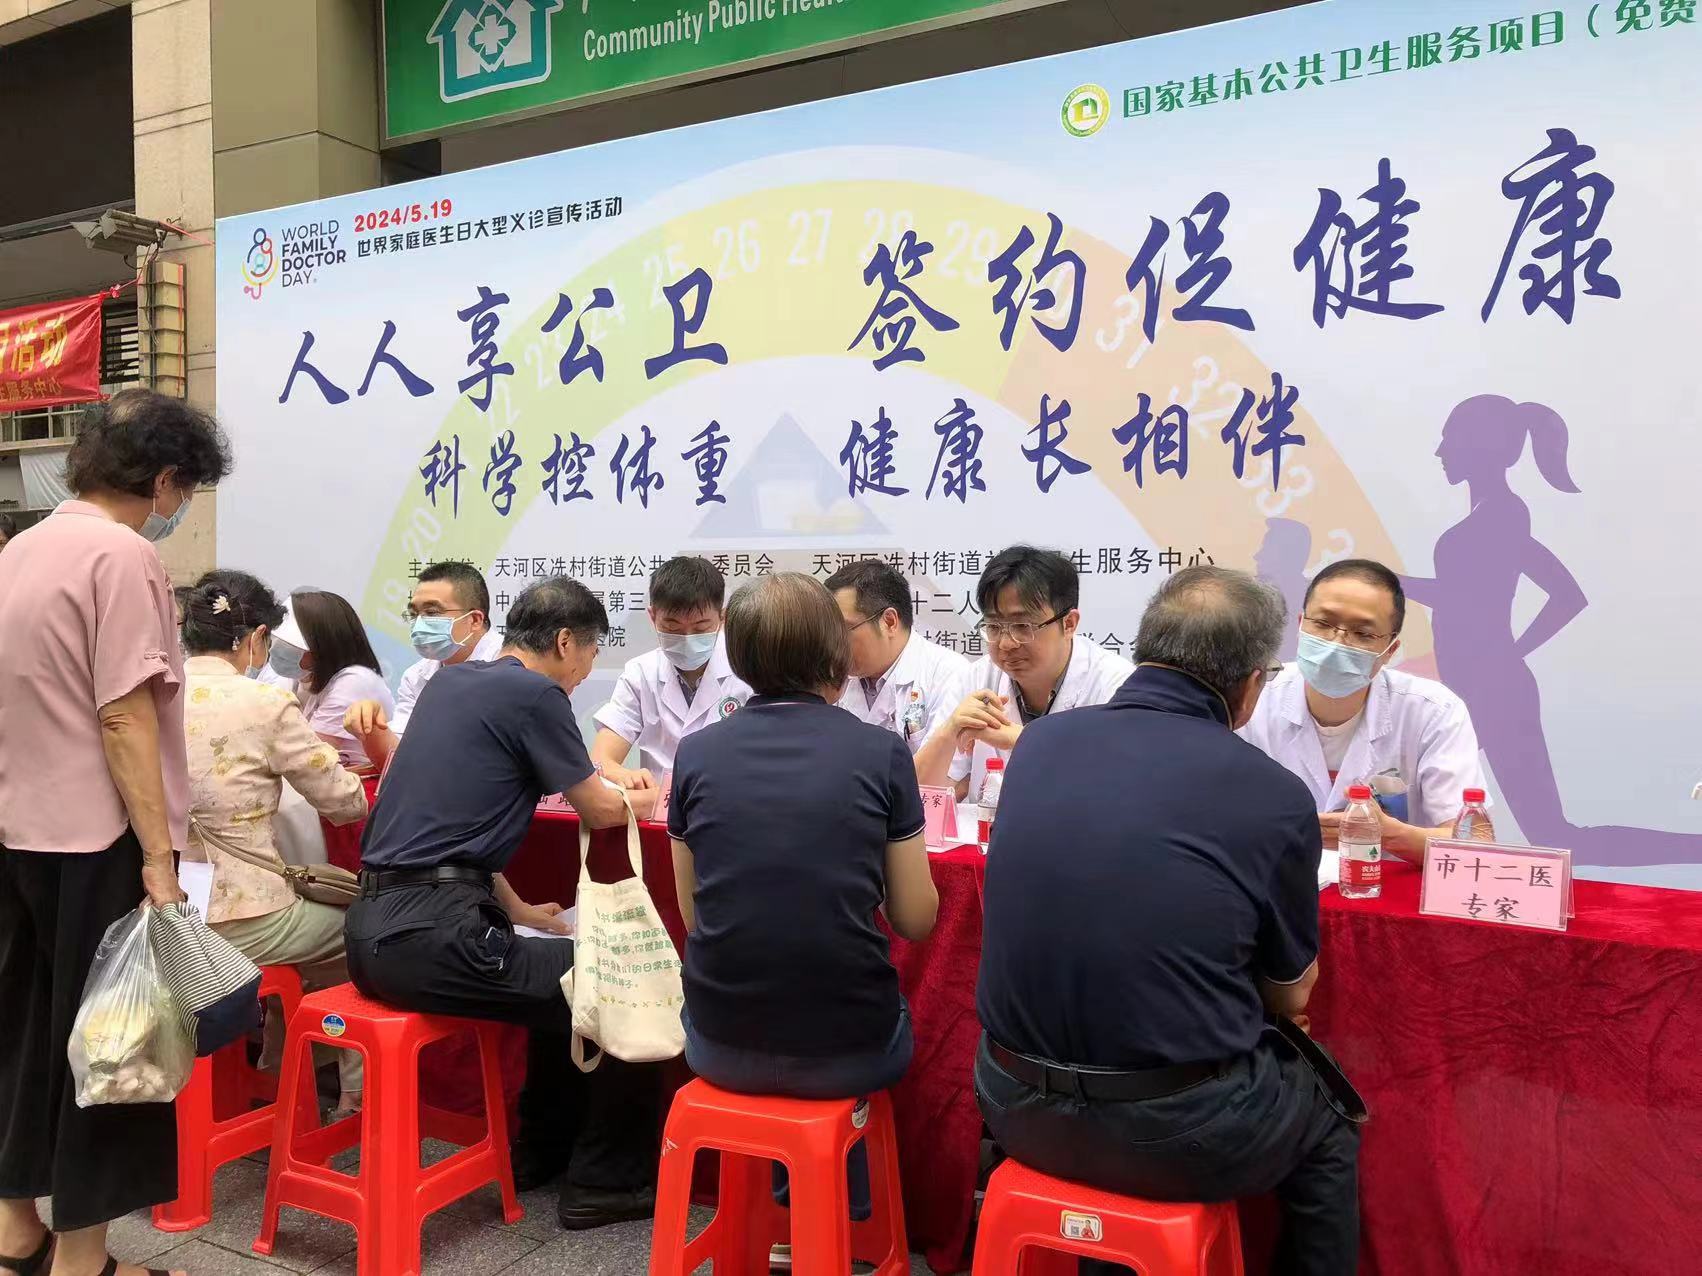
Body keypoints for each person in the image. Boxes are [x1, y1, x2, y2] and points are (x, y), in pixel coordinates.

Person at [975, 567, 1358, 1276]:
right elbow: (1291, 993)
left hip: (1011, 1102)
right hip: (1177, 1129)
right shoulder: (1273, 795)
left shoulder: (1038, 747)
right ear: (1250, 686)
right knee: (1328, 1117)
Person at [342, 577, 663, 1230]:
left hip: (374, 929)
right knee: (620, 982)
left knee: (559, 973)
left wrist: (517, 912)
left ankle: (541, 1151)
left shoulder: (451, 684)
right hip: (431, 937)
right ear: (566, 641)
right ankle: (606, 1182)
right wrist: (646, 795)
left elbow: (453, 834)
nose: (585, 670)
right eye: (589, 653)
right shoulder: (535, 694)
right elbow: (602, 810)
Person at [0, 389, 231, 1276]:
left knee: (23, 1036)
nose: (179, 508)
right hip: (95, 837)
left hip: (17, 829)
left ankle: (18, 1232)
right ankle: (82, 1261)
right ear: (165, 480)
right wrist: (159, 859)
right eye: (186, 490)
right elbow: (124, 715)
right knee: (114, 1041)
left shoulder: (21, 548)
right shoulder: (125, 555)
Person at [669, 573, 938, 1242]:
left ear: (738, 657)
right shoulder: (880, 753)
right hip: (852, 1048)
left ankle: (795, 1216)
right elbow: (916, 920)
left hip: (717, 1041)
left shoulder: (696, 756)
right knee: (873, 1008)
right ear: (834, 654)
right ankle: (834, 1219)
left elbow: (695, 918)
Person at [179, 572, 369, 1117]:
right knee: (360, 931)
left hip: (166, 912)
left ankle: (284, 1075)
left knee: (307, 947)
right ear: (257, 637)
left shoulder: (150, 693)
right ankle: (348, 1093)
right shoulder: (263, 702)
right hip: (241, 917)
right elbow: (345, 802)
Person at [1239, 558, 1485, 860]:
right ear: (1301, 624)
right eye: (1323, 624)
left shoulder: (1434, 711)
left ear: (1390, 650)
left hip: (1383, 883)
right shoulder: (1251, 697)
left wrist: (1390, 834)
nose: (1337, 643)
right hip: (1271, 881)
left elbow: (1474, 842)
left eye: (1363, 633)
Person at [915, 546, 1134, 799]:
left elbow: (1117, 785)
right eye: (994, 626)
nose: (1006, 643)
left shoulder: (1114, 685)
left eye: (1022, 626)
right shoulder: (976, 678)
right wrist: (949, 731)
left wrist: (1021, 739)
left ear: (1069, 623)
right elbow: (919, 795)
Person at [590, 555, 751, 786]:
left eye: (701, 628)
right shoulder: (641, 673)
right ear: (652, 616)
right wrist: (624, 776)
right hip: (657, 803)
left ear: (722, 617)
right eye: (672, 627)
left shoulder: (747, 669)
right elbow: (602, 759)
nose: (687, 639)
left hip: (729, 800)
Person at [341, 562, 499, 757]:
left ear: (474, 620)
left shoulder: (510, 664)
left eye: (431, 613)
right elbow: (399, 754)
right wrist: (372, 727)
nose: (419, 624)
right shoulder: (416, 677)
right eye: (414, 614)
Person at [824, 558, 969, 752]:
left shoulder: (949, 675)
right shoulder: (832, 677)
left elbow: (946, 765)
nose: (834, 643)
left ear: (889, 622)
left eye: (843, 630)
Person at [266, 590, 393, 768]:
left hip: (360, 780)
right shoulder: (294, 677)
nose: (275, 650)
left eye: (289, 646)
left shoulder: (354, 681)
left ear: (324, 647)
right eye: (275, 640)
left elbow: (309, 759)